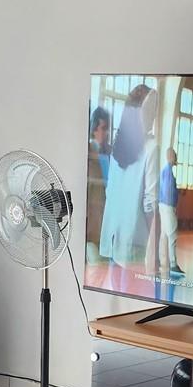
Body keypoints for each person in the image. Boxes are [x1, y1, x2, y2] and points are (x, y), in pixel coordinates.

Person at [98, 84, 159, 271]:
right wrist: (155, 248)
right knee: (137, 298)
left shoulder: (118, 143)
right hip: (135, 241)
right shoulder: (152, 146)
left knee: (115, 296)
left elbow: (110, 192)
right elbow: (150, 203)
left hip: (112, 235)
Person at [86, 106, 111, 268]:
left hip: (105, 225)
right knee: (96, 267)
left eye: (107, 129)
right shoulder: (87, 153)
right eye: (103, 128)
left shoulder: (108, 154)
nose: (106, 133)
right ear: (94, 129)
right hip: (91, 228)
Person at [155, 147, 183, 278]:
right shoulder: (167, 172)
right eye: (175, 156)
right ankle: (173, 263)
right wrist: (173, 206)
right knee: (172, 234)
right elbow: (168, 192)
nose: (176, 158)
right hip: (167, 206)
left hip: (164, 205)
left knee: (164, 234)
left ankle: (163, 261)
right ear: (170, 156)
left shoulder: (167, 171)